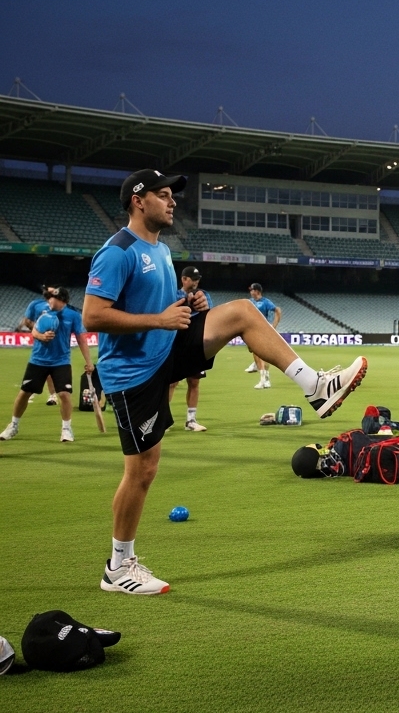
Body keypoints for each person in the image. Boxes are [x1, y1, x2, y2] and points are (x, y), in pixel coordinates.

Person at [84, 169, 368, 595]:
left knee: (241, 313)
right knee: (142, 470)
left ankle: (315, 386)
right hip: (133, 374)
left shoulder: (160, 249)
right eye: (163, 195)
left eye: (172, 195)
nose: (173, 201)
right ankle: (117, 568)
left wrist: (187, 304)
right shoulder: (117, 251)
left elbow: (158, 306)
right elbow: (93, 315)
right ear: (138, 201)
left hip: (165, 349)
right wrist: (159, 318)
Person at [1, 287, 93, 443]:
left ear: (62, 301)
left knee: (64, 394)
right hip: (38, 360)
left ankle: (66, 429)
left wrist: (89, 362)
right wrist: (41, 336)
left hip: (61, 361)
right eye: (49, 297)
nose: (49, 300)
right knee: (24, 393)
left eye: (53, 298)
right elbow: (33, 331)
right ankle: (13, 425)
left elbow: (81, 339)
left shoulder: (73, 316)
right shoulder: (43, 311)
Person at [168, 266, 212, 431]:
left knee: (194, 382)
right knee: (171, 382)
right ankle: (164, 419)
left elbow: (209, 315)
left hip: (195, 344)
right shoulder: (173, 295)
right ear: (183, 279)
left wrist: (204, 306)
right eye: (192, 279)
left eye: (197, 279)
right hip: (176, 342)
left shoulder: (204, 295)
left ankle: (191, 421)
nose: (195, 282)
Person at [19, 285, 61, 405]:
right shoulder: (35, 304)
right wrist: (39, 331)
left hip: (56, 342)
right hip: (40, 343)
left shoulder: (60, 306)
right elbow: (27, 321)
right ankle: (31, 391)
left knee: (50, 369)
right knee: (38, 367)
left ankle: (52, 395)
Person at [247, 283, 282, 388]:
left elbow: (278, 310)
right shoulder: (250, 302)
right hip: (252, 330)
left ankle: (265, 379)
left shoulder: (265, 302)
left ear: (257, 291)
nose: (250, 292)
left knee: (263, 354)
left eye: (252, 290)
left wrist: (274, 326)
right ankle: (257, 367)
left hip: (262, 330)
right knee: (253, 350)